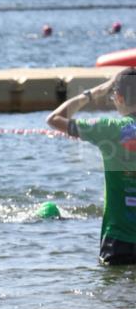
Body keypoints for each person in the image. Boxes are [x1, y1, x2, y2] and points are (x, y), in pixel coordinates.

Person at [47, 68, 136, 266]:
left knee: (114, 293)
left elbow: (54, 119)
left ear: (119, 98)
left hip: (117, 239)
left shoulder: (108, 127)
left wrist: (93, 93)